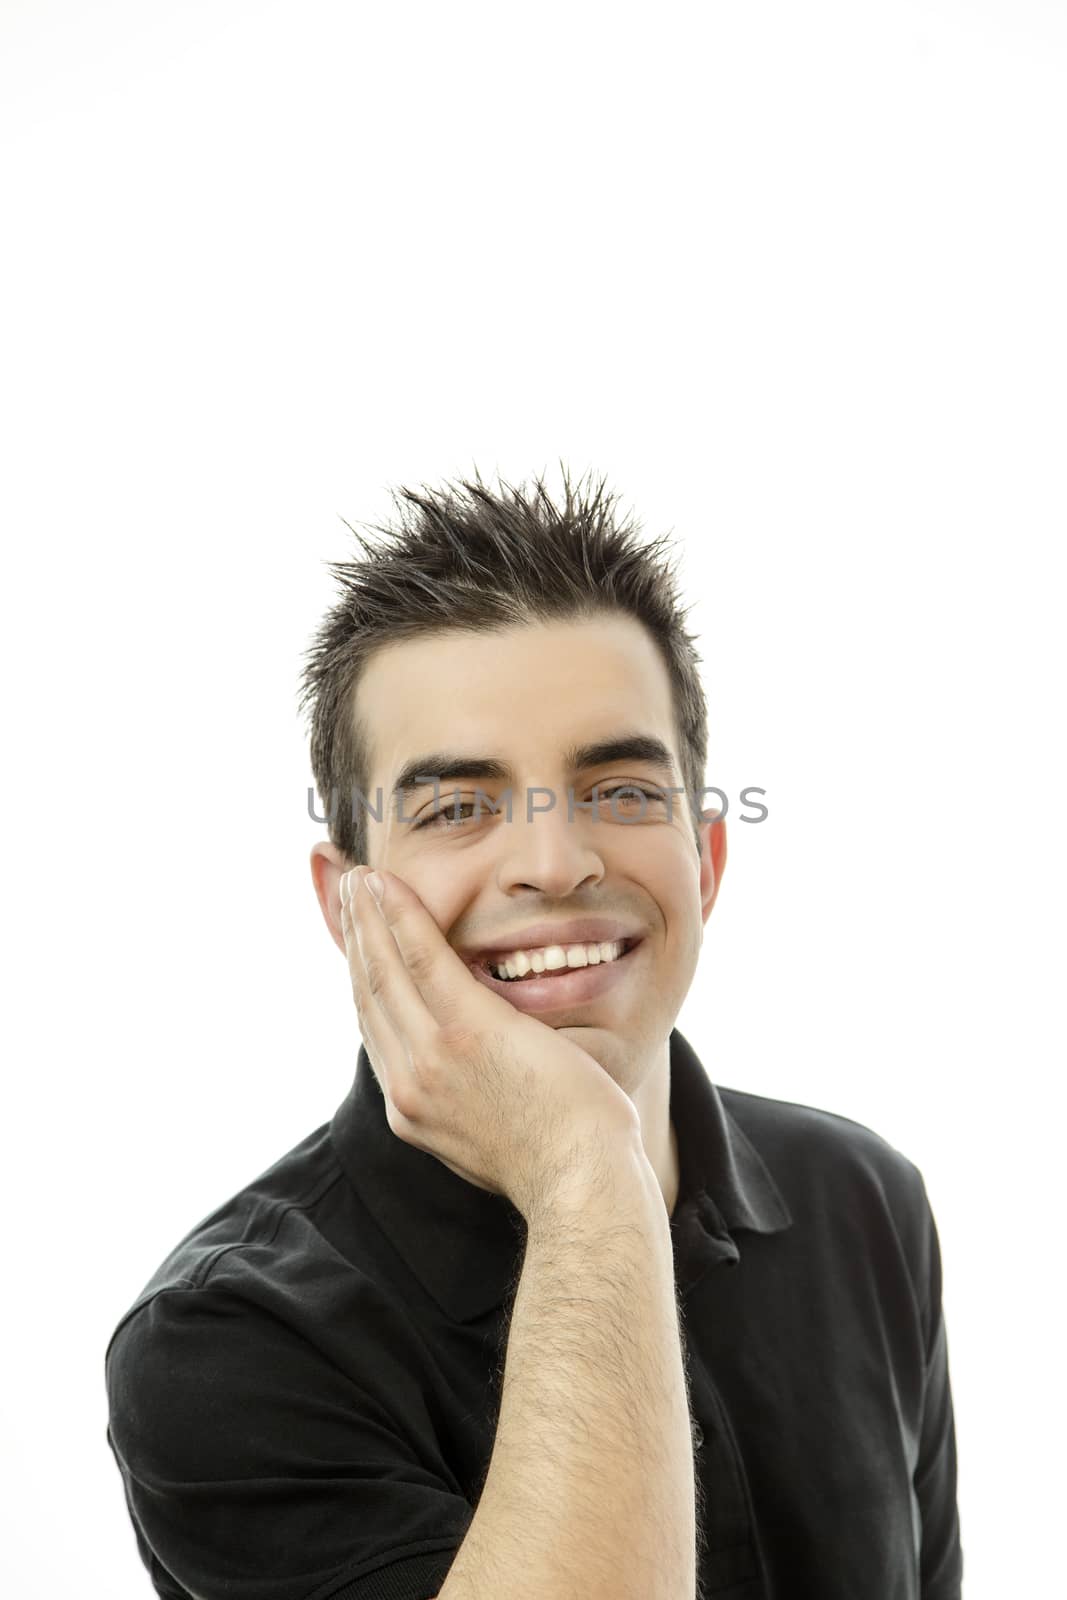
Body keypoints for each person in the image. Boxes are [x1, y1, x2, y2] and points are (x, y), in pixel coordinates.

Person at [104, 470, 963, 1600]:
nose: (555, 863)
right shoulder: (223, 1345)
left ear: (704, 862)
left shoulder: (862, 1199)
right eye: (458, 806)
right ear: (344, 902)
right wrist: (583, 1173)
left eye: (618, 788)